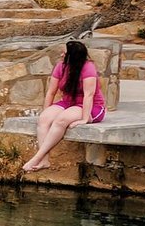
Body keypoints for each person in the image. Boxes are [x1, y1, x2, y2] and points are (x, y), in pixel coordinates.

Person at [22, 39, 105, 173]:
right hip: (68, 102)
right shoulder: (61, 66)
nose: (61, 55)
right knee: (44, 119)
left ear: (73, 56)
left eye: (64, 53)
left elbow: (89, 95)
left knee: (61, 120)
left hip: (90, 106)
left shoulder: (88, 68)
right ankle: (44, 161)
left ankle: (36, 158)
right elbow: (51, 92)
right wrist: (46, 111)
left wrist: (84, 119)